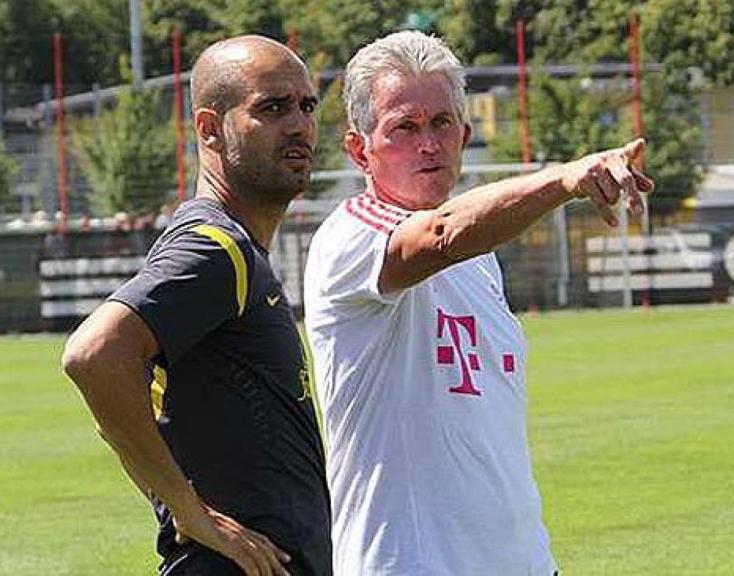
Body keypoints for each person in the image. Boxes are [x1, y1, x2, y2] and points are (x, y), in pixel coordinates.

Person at [303, 30, 653, 576]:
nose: (429, 143)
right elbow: (439, 234)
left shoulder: (479, 258)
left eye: (442, 123)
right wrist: (564, 179)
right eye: (405, 127)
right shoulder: (351, 237)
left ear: (465, 135)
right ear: (359, 149)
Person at [62, 35, 330, 576]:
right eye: (272, 108)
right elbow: (94, 354)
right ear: (210, 128)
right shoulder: (218, 249)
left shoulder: (234, 249)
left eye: (307, 106)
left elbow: (121, 412)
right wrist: (190, 513)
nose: (299, 125)